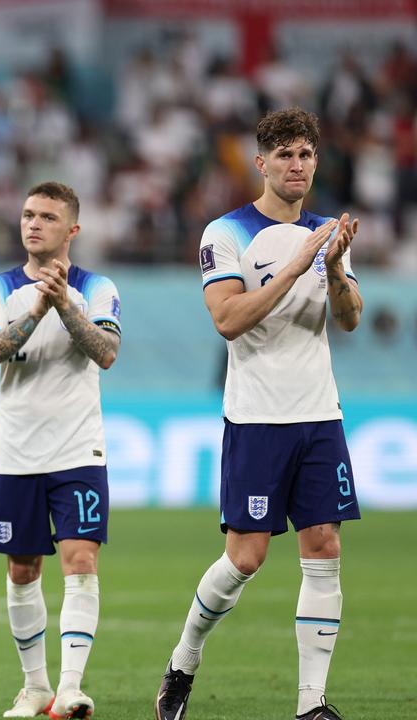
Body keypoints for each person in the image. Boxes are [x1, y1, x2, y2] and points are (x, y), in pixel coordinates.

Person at [154, 107, 362, 720]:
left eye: (306, 153)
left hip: (320, 413)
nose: (296, 164)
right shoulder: (225, 233)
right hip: (256, 417)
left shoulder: (328, 230)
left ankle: (310, 704)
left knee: (324, 547)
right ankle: (183, 660)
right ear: (261, 163)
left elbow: (348, 318)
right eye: (285, 154)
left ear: (316, 162)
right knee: (246, 559)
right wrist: (298, 267)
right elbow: (228, 320)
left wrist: (334, 270)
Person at [0, 182, 121, 720]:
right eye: (28, 214)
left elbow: (105, 352)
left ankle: (71, 687)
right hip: (16, 452)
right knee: (23, 569)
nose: (34, 224)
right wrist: (39, 307)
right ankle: (35, 687)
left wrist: (64, 304)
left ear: (72, 229)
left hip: (78, 449)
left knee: (80, 562)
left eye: (48, 217)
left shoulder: (97, 287)